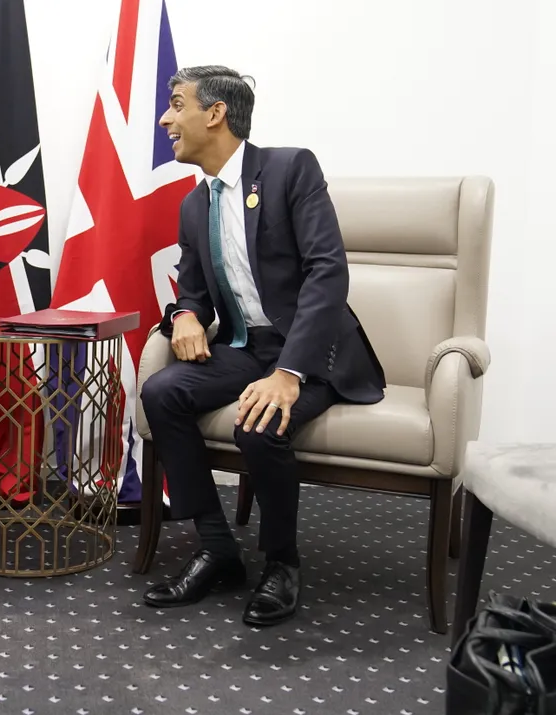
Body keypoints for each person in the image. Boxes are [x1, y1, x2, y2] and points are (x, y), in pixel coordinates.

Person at [141, 66, 385, 627]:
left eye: (177, 105)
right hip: (245, 347)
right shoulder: (192, 205)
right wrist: (184, 315)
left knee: (259, 420)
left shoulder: (289, 168)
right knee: (163, 392)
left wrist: (291, 371)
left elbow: (328, 272)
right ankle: (216, 548)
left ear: (216, 113)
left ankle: (281, 563)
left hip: (310, 351)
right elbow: (195, 291)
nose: (166, 118)